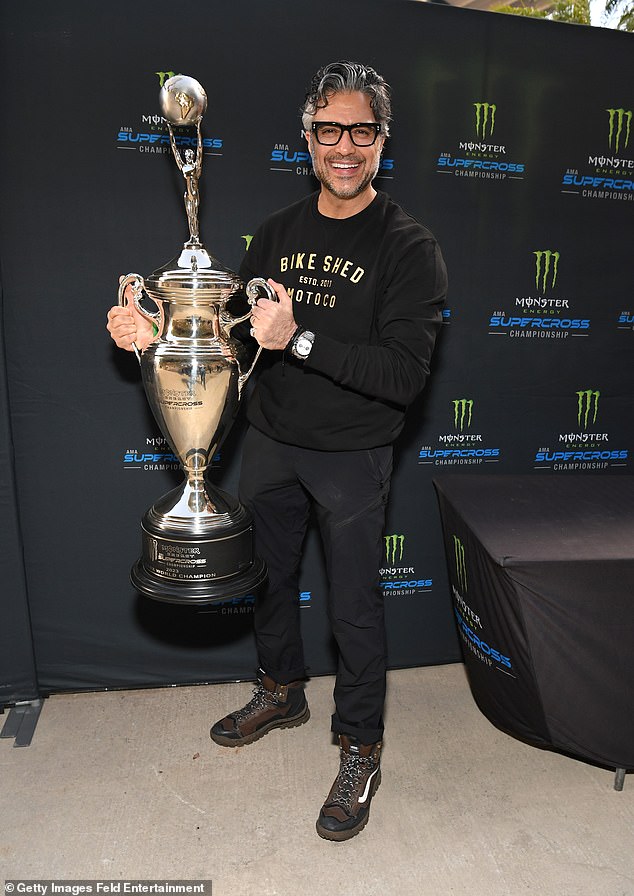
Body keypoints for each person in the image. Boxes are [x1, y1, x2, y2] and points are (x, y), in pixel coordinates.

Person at [106, 60, 447, 842]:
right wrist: (154, 338)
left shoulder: (409, 247)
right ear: (308, 139)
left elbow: (402, 375)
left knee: (355, 610)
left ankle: (360, 746)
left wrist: (301, 337)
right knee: (266, 582)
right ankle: (280, 691)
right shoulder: (277, 234)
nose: (345, 147)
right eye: (329, 130)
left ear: (381, 141)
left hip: (353, 455)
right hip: (270, 440)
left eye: (361, 131)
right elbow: (223, 343)